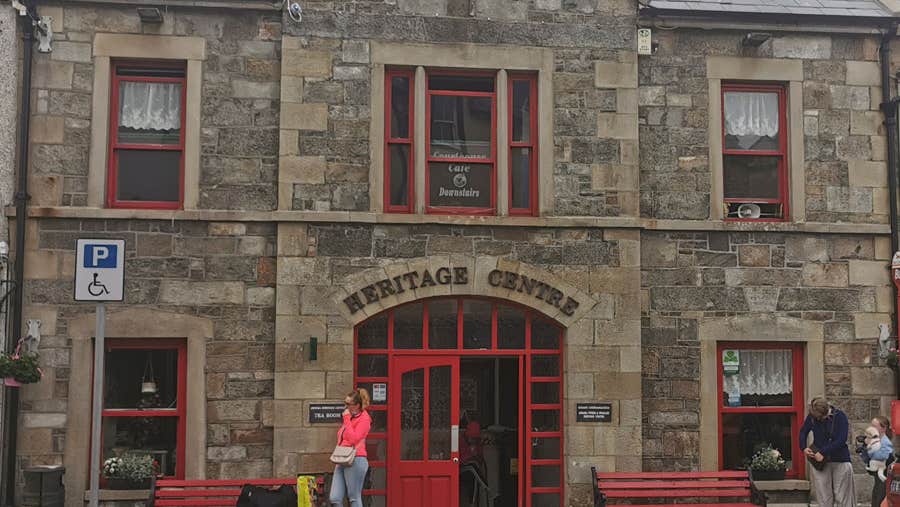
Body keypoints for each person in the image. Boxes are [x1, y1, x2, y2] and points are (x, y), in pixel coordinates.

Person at [799, 396, 855, 507]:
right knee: (824, 498)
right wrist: (804, 447)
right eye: (816, 418)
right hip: (820, 463)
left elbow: (841, 440)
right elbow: (803, 432)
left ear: (826, 412)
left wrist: (823, 452)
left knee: (841, 497)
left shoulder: (840, 416)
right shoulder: (812, 416)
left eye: (820, 417)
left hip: (840, 460)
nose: (818, 419)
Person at [329, 388, 372, 506]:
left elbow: (354, 439)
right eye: (345, 403)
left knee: (354, 497)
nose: (346, 406)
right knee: (335, 498)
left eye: (348, 404)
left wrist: (347, 419)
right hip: (342, 458)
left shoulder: (364, 419)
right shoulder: (351, 417)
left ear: (357, 405)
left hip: (356, 459)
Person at [860, 416, 895, 507]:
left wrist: (869, 451)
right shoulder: (875, 441)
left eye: (874, 426)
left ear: (883, 428)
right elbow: (867, 459)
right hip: (878, 478)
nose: (871, 429)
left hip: (884, 479)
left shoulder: (885, 443)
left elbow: (884, 458)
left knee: (879, 500)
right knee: (876, 499)